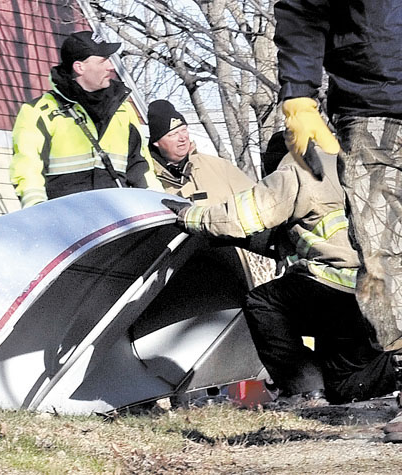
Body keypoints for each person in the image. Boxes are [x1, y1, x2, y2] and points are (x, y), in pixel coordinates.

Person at [162, 133, 401, 413]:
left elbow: (243, 215)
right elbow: (288, 237)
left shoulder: (298, 167)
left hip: (338, 285)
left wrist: (190, 216)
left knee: (264, 302)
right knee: (343, 385)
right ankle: (392, 369)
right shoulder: (355, 162)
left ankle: (304, 392)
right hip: (383, 290)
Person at [273, 1, 402, 354]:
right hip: (374, 107)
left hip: (374, 100)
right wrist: (298, 96)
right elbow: (303, 9)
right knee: (382, 250)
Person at [10, 30, 163, 208]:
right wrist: (37, 213)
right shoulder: (39, 111)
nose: (110, 67)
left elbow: (141, 168)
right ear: (79, 67)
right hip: (66, 221)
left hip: (116, 218)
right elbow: (27, 168)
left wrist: (159, 205)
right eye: (103, 60)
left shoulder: (123, 110)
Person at [147, 100, 255, 204]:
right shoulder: (147, 176)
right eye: (173, 134)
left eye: (184, 130)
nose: (182, 138)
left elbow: (257, 201)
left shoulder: (221, 167)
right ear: (156, 142)